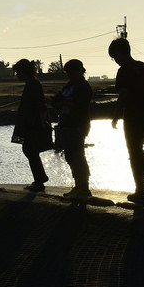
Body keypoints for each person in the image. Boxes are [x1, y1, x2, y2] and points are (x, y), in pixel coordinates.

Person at [108, 37, 144, 204]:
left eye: (114, 57)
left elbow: (123, 95)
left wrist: (116, 116)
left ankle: (141, 189)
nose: (115, 61)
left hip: (132, 116)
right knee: (138, 149)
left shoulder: (124, 70)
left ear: (118, 53)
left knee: (134, 151)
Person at [51, 58, 93, 200]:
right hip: (66, 124)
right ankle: (78, 186)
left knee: (78, 156)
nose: (69, 75)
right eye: (68, 72)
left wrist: (65, 102)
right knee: (70, 156)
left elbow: (79, 104)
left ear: (80, 71)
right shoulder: (69, 85)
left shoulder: (83, 86)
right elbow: (55, 101)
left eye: (71, 72)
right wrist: (65, 102)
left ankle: (84, 187)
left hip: (78, 125)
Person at [11, 58, 52, 191]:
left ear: (24, 72)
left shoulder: (33, 84)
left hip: (33, 123)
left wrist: (42, 120)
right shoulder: (32, 83)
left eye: (18, 72)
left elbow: (40, 104)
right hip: (31, 121)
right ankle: (40, 179)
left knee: (29, 149)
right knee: (30, 149)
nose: (17, 75)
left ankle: (40, 180)